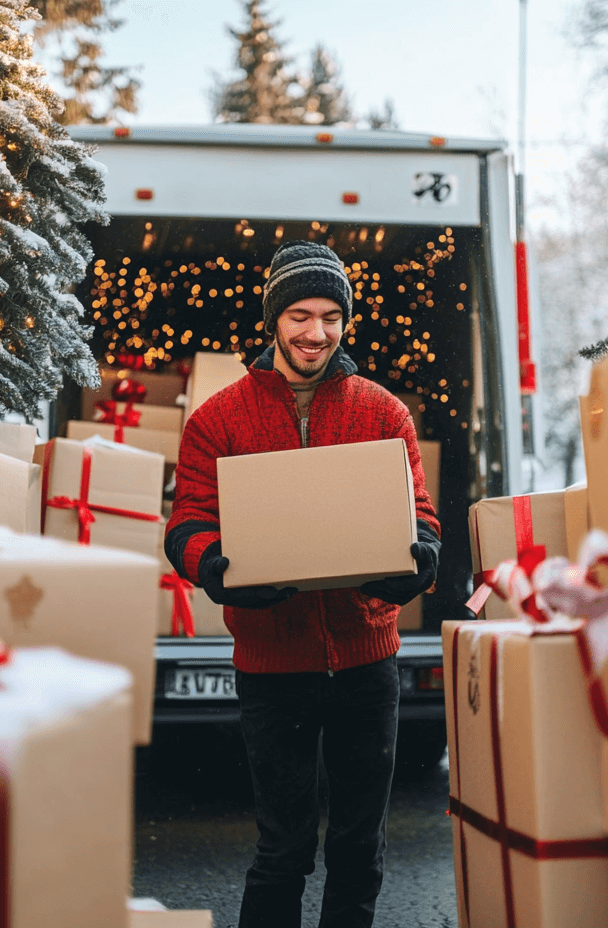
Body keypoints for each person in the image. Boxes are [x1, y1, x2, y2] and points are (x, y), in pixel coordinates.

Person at [164, 240, 441, 928]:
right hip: (271, 662)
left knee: (359, 847)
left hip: (366, 661)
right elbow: (188, 523)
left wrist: (421, 559)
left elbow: (423, 517)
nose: (315, 332)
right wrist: (218, 568)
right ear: (273, 320)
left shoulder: (384, 413)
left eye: (329, 316)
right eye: (299, 315)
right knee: (283, 847)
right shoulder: (218, 419)